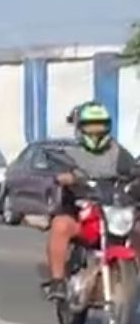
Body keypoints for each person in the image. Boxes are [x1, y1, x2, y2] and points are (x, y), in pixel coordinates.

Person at [44, 102, 137, 300]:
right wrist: (65, 177)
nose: (96, 131)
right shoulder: (70, 153)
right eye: (91, 126)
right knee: (61, 225)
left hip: (113, 211)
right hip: (83, 215)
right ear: (80, 128)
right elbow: (57, 170)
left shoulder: (118, 153)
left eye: (100, 125)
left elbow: (132, 172)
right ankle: (57, 282)